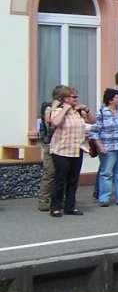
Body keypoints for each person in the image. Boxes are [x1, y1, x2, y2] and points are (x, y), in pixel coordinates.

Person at [48, 85, 96, 217]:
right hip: (61, 150)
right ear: (65, 98)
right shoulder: (57, 111)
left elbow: (93, 121)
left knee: (73, 180)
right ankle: (55, 207)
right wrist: (65, 109)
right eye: (74, 97)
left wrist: (87, 110)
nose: (76, 99)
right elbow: (55, 123)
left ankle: (70, 206)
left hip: (76, 149)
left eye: (76, 97)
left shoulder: (78, 112)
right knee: (60, 179)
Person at [92, 88, 118, 207]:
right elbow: (94, 131)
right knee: (106, 172)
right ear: (110, 100)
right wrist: (99, 146)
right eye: (117, 97)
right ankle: (104, 198)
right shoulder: (102, 113)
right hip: (108, 148)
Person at [37, 84, 64, 212]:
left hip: (63, 146)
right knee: (50, 173)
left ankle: (60, 199)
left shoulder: (65, 108)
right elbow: (48, 120)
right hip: (50, 146)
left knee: (62, 174)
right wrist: (55, 106)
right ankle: (44, 200)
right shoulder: (48, 108)